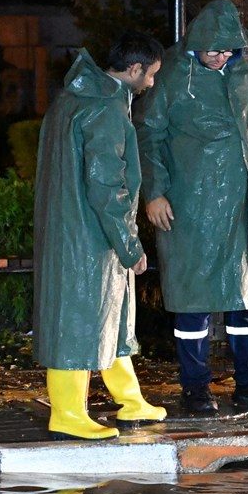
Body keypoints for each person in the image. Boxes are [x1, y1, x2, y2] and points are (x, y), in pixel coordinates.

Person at [136, 0, 248, 415]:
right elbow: (148, 133)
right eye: (213, 49)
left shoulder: (240, 73)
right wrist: (155, 192)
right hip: (190, 203)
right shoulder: (171, 75)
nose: (220, 56)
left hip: (240, 201)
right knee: (191, 301)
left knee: (245, 297)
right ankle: (195, 387)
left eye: (227, 49)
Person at [32, 31, 167, 440]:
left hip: (74, 230)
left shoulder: (73, 100)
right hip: (89, 237)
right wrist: (129, 244)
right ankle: (68, 413)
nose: (151, 83)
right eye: (150, 75)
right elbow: (107, 186)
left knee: (111, 316)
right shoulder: (105, 110)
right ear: (133, 69)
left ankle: (131, 400)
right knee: (79, 321)